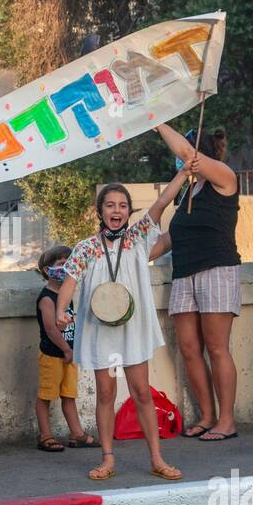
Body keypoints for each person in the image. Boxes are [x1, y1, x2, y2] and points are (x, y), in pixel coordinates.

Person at [56, 146, 191, 481]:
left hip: (132, 327)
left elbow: (162, 203)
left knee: (142, 391)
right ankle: (107, 458)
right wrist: (61, 310)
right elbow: (70, 281)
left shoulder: (139, 237)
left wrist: (184, 172)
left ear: (129, 211)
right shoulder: (86, 247)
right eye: (109, 205)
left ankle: (157, 459)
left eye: (122, 205)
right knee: (105, 393)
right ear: (100, 211)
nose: (116, 210)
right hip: (100, 327)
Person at [151, 123, 241, 441]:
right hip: (183, 274)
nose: (180, 158)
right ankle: (207, 415)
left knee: (217, 348)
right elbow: (169, 238)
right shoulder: (189, 192)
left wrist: (157, 120)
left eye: (184, 153)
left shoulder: (225, 177)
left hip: (216, 270)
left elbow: (188, 154)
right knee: (189, 348)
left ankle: (226, 421)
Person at [33, 245, 96, 452]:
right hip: (53, 354)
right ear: (47, 270)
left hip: (69, 354)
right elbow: (51, 329)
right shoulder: (47, 298)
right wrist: (67, 350)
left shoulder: (65, 296)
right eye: (61, 265)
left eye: (69, 264)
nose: (66, 269)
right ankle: (45, 435)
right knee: (46, 396)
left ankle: (76, 434)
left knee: (69, 395)